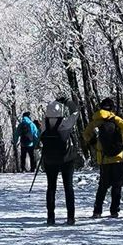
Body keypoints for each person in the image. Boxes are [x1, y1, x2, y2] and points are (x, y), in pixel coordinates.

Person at [82, 96, 123, 218]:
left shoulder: (96, 121)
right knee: (117, 185)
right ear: (112, 108)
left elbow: (86, 133)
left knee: (103, 186)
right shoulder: (117, 120)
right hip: (118, 157)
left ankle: (97, 211)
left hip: (104, 158)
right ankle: (114, 211)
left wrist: (93, 142)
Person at [40, 97, 80, 226]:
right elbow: (76, 112)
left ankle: (50, 217)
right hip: (66, 159)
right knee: (68, 187)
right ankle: (70, 217)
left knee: (51, 188)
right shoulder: (65, 123)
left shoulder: (44, 124)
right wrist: (68, 102)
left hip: (49, 160)